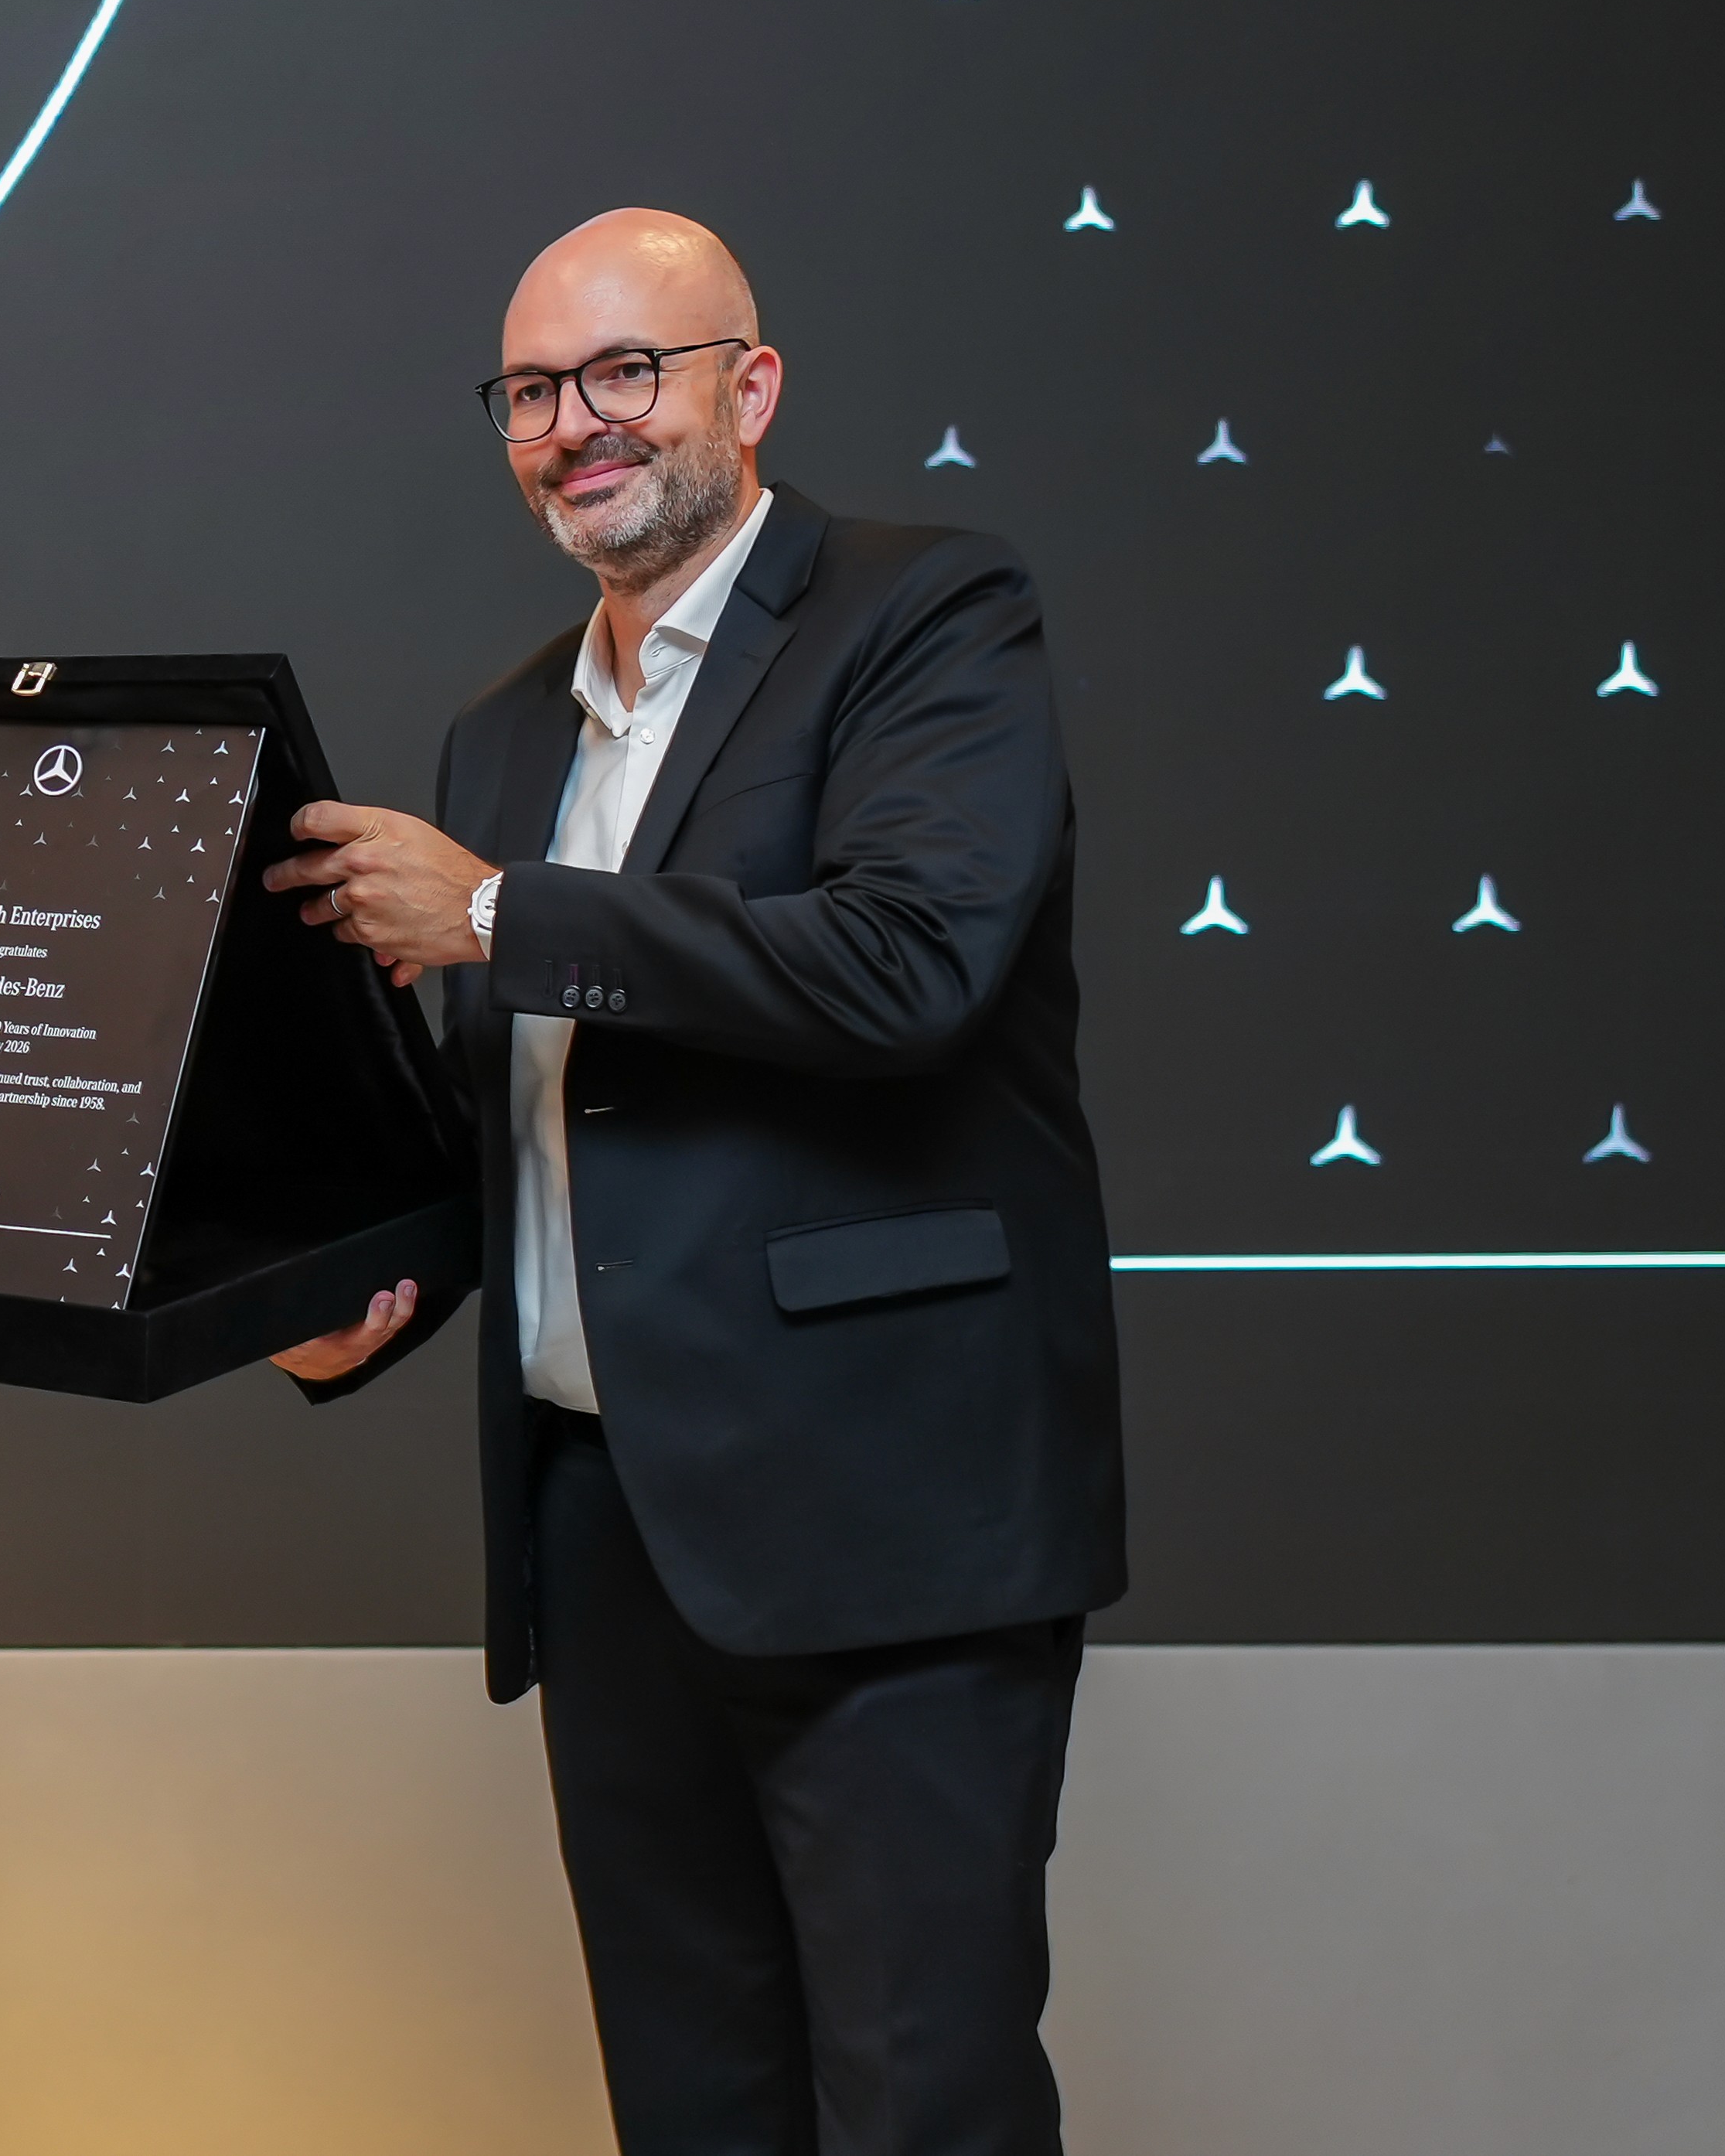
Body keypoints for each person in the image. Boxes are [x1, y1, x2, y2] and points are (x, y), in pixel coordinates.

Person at [266, 212, 1125, 2155]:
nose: (576, 423)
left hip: (881, 1509)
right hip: (605, 1523)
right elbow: (518, 1118)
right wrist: (326, 1304)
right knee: (692, 2101)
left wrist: (496, 912)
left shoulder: (926, 614)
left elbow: (911, 964)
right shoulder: (500, 737)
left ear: (749, 386)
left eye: (623, 372)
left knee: (925, 2102)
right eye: (532, 392)